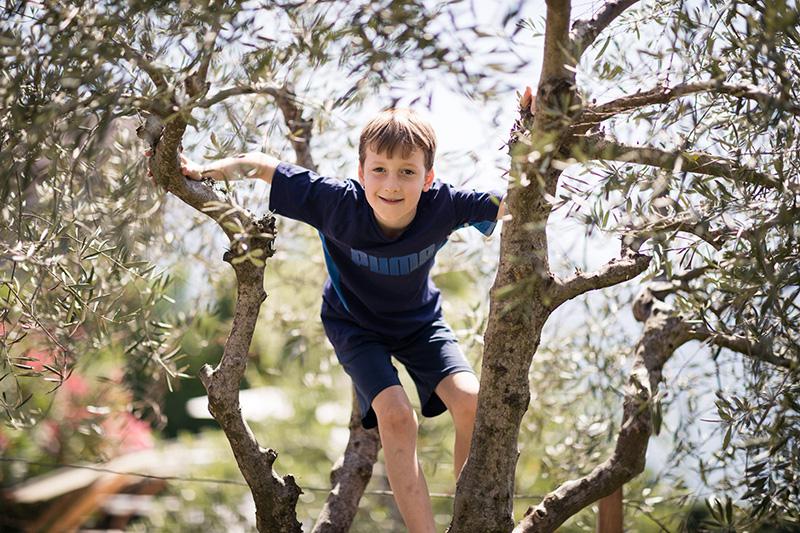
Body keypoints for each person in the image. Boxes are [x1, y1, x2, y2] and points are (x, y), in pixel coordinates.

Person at [179, 108, 509, 533]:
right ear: (361, 172)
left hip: (420, 325)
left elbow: (513, 203)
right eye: (380, 170)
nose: (391, 184)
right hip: (354, 325)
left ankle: (470, 522)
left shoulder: (444, 205)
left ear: (428, 178)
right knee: (396, 415)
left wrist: (539, 129)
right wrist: (200, 170)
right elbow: (261, 166)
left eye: (407, 172)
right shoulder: (335, 202)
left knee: (471, 402)